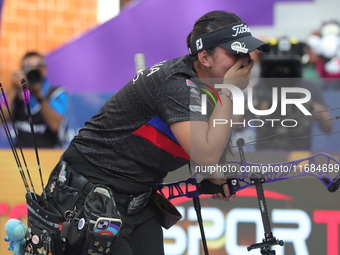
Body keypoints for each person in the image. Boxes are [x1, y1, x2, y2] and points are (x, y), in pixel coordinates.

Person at [42, 10, 269, 255]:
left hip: (136, 194)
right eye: (235, 53)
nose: (245, 61)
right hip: (90, 190)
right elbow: (205, 154)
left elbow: (209, 139)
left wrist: (217, 177)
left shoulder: (205, 83)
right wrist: (229, 92)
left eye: (246, 52)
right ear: (205, 57)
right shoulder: (179, 86)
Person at [5, 51, 69, 148]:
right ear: (22, 70)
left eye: (38, 67)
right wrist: (13, 89)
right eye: (28, 67)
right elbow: (3, 120)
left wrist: (38, 94)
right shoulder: (17, 93)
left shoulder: (56, 93)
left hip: (48, 154)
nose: (33, 70)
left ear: (45, 69)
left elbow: (55, 126)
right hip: (22, 154)